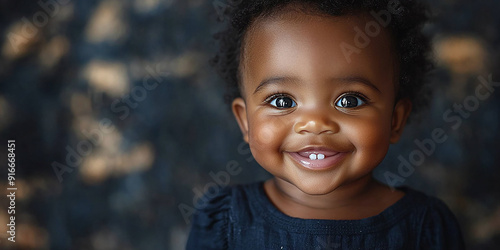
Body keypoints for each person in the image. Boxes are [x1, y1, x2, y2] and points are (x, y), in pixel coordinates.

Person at [187, 0, 465, 249]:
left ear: (395, 120)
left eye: (350, 101)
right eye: (283, 102)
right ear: (245, 120)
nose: (315, 123)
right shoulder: (223, 222)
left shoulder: (426, 228)